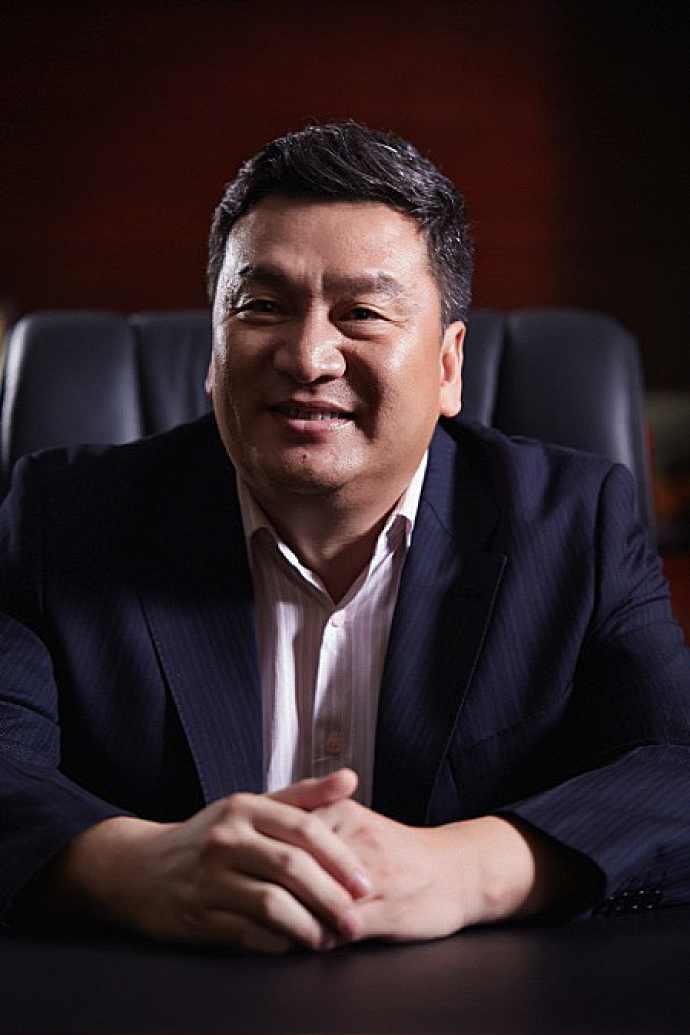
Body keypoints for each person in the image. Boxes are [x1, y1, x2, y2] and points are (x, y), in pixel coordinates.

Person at [1, 122, 689, 953]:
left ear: (448, 366)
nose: (307, 357)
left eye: (361, 312)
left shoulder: (575, 524)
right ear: (212, 353)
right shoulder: (64, 517)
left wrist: (467, 867)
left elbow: (675, 767)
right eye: (263, 307)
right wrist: (135, 864)